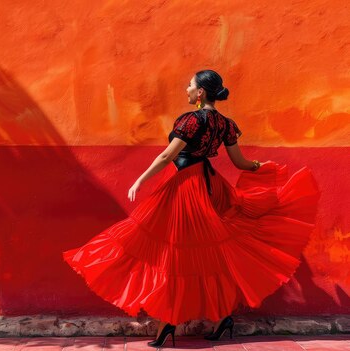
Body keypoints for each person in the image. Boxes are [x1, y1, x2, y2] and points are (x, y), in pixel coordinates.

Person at [62, 70, 320, 347]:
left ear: (200, 93)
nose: (185, 89)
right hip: (209, 186)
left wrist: (139, 179)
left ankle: (170, 322)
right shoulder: (226, 124)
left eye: (189, 85)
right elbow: (241, 163)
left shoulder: (192, 120)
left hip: (185, 187)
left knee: (175, 252)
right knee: (203, 252)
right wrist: (261, 166)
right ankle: (220, 319)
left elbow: (167, 155)